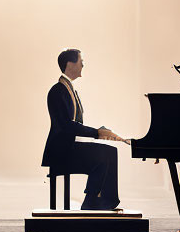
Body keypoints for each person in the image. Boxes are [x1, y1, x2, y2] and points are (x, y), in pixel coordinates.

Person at [41, 48, 127, 210]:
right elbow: (66, 126)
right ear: (69, 64)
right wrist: (97, 133)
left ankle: (99, 201)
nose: (83, 65)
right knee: (104, 155)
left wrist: (100, 132)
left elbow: (75, 125)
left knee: (109, 153)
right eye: (81, 62)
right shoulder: (58, 91)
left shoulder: (69, 89)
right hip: (60, 151)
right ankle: (93, 202)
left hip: (69, 147)